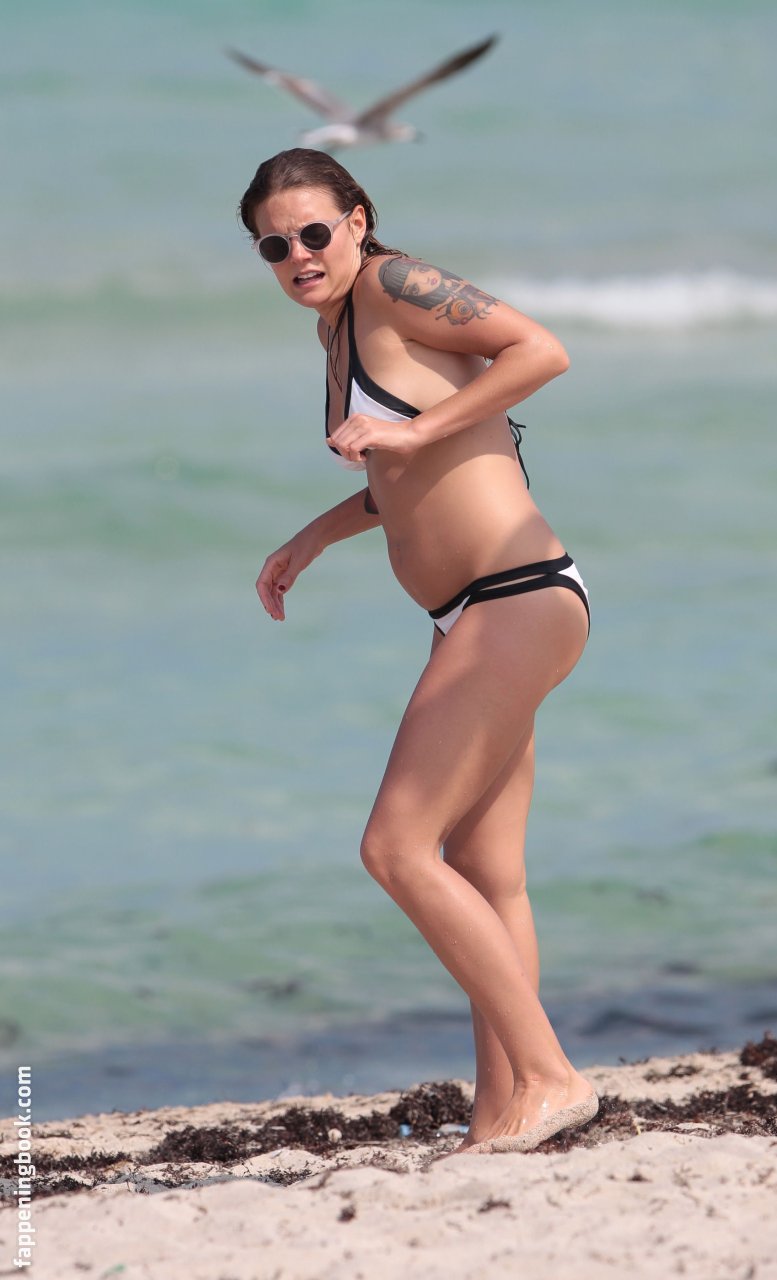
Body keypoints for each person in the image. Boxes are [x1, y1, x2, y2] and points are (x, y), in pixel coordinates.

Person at [240, 148, 599, 1154]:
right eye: (275, 246)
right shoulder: (336, 329)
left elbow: (539, 351)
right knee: (486, 871)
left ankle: (553, 1076)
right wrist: (313, 535)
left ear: (358, 220)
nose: (299, 255)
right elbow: (405, 469)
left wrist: (415, 429)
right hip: (474, 610)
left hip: (515, 595)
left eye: (315, 232)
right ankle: (502, 1117)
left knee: (395, 847)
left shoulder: (394, 284)